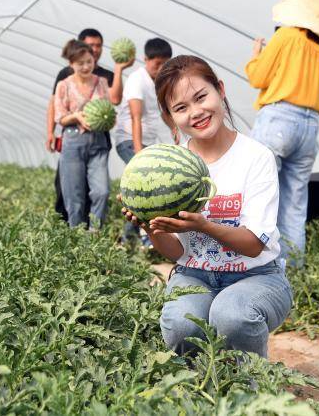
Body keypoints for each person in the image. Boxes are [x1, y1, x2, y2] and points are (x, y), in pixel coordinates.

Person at [121, 55, 292, 358]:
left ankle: (253, 389)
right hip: (194, 274)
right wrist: (149, 224)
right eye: (181, 108)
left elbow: (253, 246)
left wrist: (204, 225)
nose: (196, 112)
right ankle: (201, 391)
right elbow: (177, 252)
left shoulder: (256, 157)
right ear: (169, 116)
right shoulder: (170, 166)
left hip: (256, 276)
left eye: (201, 97)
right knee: (181, 325)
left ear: (220, 90)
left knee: (231, 316)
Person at [245, 0, 319, 268]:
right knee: (294, 204)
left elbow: (258, 78)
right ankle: (292, 273)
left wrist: (255, 56)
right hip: (309, 128)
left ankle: (256, 267)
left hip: (279, 118)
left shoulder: (287, 36)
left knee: (260, 195)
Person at [46, 28, 133, 224]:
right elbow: (59, 115)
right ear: (71, 64)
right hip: (73, 140)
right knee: (74, 197)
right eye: (81, 63)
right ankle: (77, 239)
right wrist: (75, 117)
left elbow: (113, 102)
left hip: (98, 141)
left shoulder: (102, 81)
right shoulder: (64, 84)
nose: (86, 66)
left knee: (102, 191)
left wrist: (119, 69)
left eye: (89, 62)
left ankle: (95, 235)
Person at [114, 38, 175, 245]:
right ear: (145, 59)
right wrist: (139, 152)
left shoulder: (160, 82)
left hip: (146, 143)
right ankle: (145, 238)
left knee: (140, 188)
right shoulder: (136, 80)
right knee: (148, 186)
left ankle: (127, 237)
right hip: (129, 140)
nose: (161, 68)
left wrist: (175, 131)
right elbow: (135, 117)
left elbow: (164, 112)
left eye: (165, 64)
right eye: (157, 64)